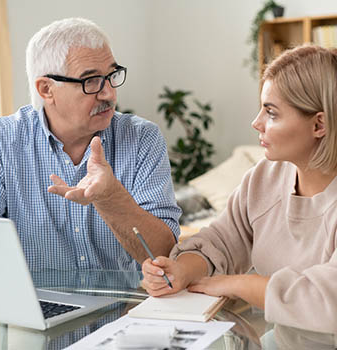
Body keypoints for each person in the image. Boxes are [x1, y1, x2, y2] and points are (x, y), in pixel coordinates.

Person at [0, 17, 181, 271]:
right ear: (46, 89)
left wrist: (112, 199)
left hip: (122, 308)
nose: (109, 93)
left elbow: (164, 255)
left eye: (112, 75)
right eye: (90, 81)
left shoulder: (142, 138)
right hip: (31, 308)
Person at [141, 45, 337, 334]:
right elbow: (220, 241)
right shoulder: (264, 178)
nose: (256, 123)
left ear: (319, 124)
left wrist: (237, 283)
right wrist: (182, 269)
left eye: (271, 113)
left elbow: (327, 300)